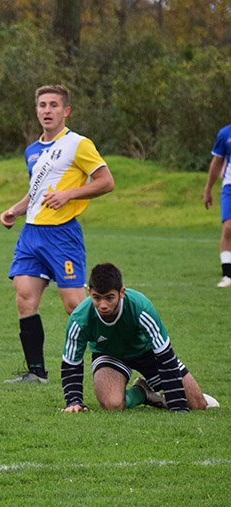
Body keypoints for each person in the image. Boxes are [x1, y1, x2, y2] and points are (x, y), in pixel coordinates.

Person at [0, 84, 115, 384]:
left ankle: (111, 360)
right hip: (31, 235)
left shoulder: (79, 144)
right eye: (42, 105)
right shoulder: (32, 150)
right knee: (24, 299)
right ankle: (36, 372)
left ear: (66, 111)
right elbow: (35, 193)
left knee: (75, 306)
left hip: (62, 236)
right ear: (36, 110)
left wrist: (69, 195)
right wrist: (16, 209)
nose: (47, 110)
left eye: (53, 105)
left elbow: (106, 181)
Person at [60, 262, 218, 412]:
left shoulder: (141, 308)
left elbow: (165, 355)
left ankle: (161, 392)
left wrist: (177, 406)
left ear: (121, 293)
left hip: (147, 354)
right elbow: (71, 362)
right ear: (90, 293)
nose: (103, 305)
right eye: (96, 297)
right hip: (109, 355)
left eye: (109, 298)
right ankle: (142, 392)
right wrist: (74, 402)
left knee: (197, 404)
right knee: (112, 404)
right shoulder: (80, 319)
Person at [203, 124, 231, 287]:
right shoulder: (225, 133)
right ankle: (227, 274)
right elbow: (217, 162)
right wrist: (208, 189)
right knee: (228, 227)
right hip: (229, 186)